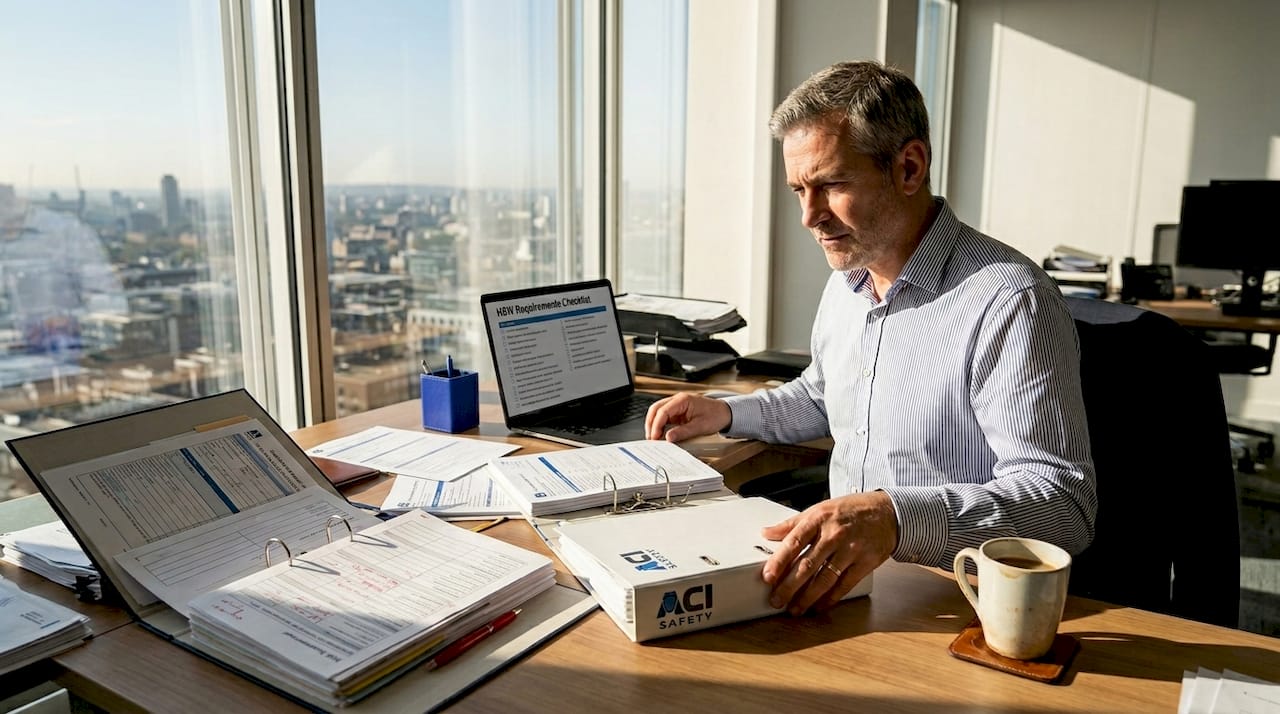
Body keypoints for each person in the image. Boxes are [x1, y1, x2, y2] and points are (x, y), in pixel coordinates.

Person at [644, 60, 1096, 618]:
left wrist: (895, 519)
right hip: (842, 584)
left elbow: (1063, 504)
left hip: (952, 599)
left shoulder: (1009, 301)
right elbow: (822, 393)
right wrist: (727, 415)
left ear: (909, 167)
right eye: (798, 190)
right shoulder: (849, 280)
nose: (810, 216)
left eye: (832, 185)